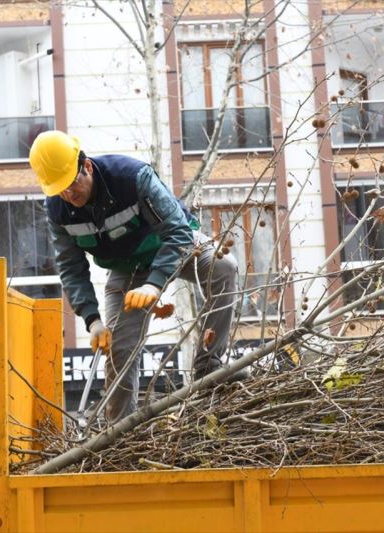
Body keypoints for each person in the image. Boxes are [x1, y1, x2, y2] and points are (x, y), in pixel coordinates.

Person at [29, 130, 244, 423]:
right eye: (59, 190)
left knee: (223, 266)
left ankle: (209, 366)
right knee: (118, 350)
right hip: (126, 268)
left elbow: (178, 231)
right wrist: (92, 320)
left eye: (71, 183)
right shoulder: (57, 210)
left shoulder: (132, 177)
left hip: (174, 245)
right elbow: (70, 267)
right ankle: (119, 432)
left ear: (87, 167)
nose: (68, 194)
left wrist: (154, 285)